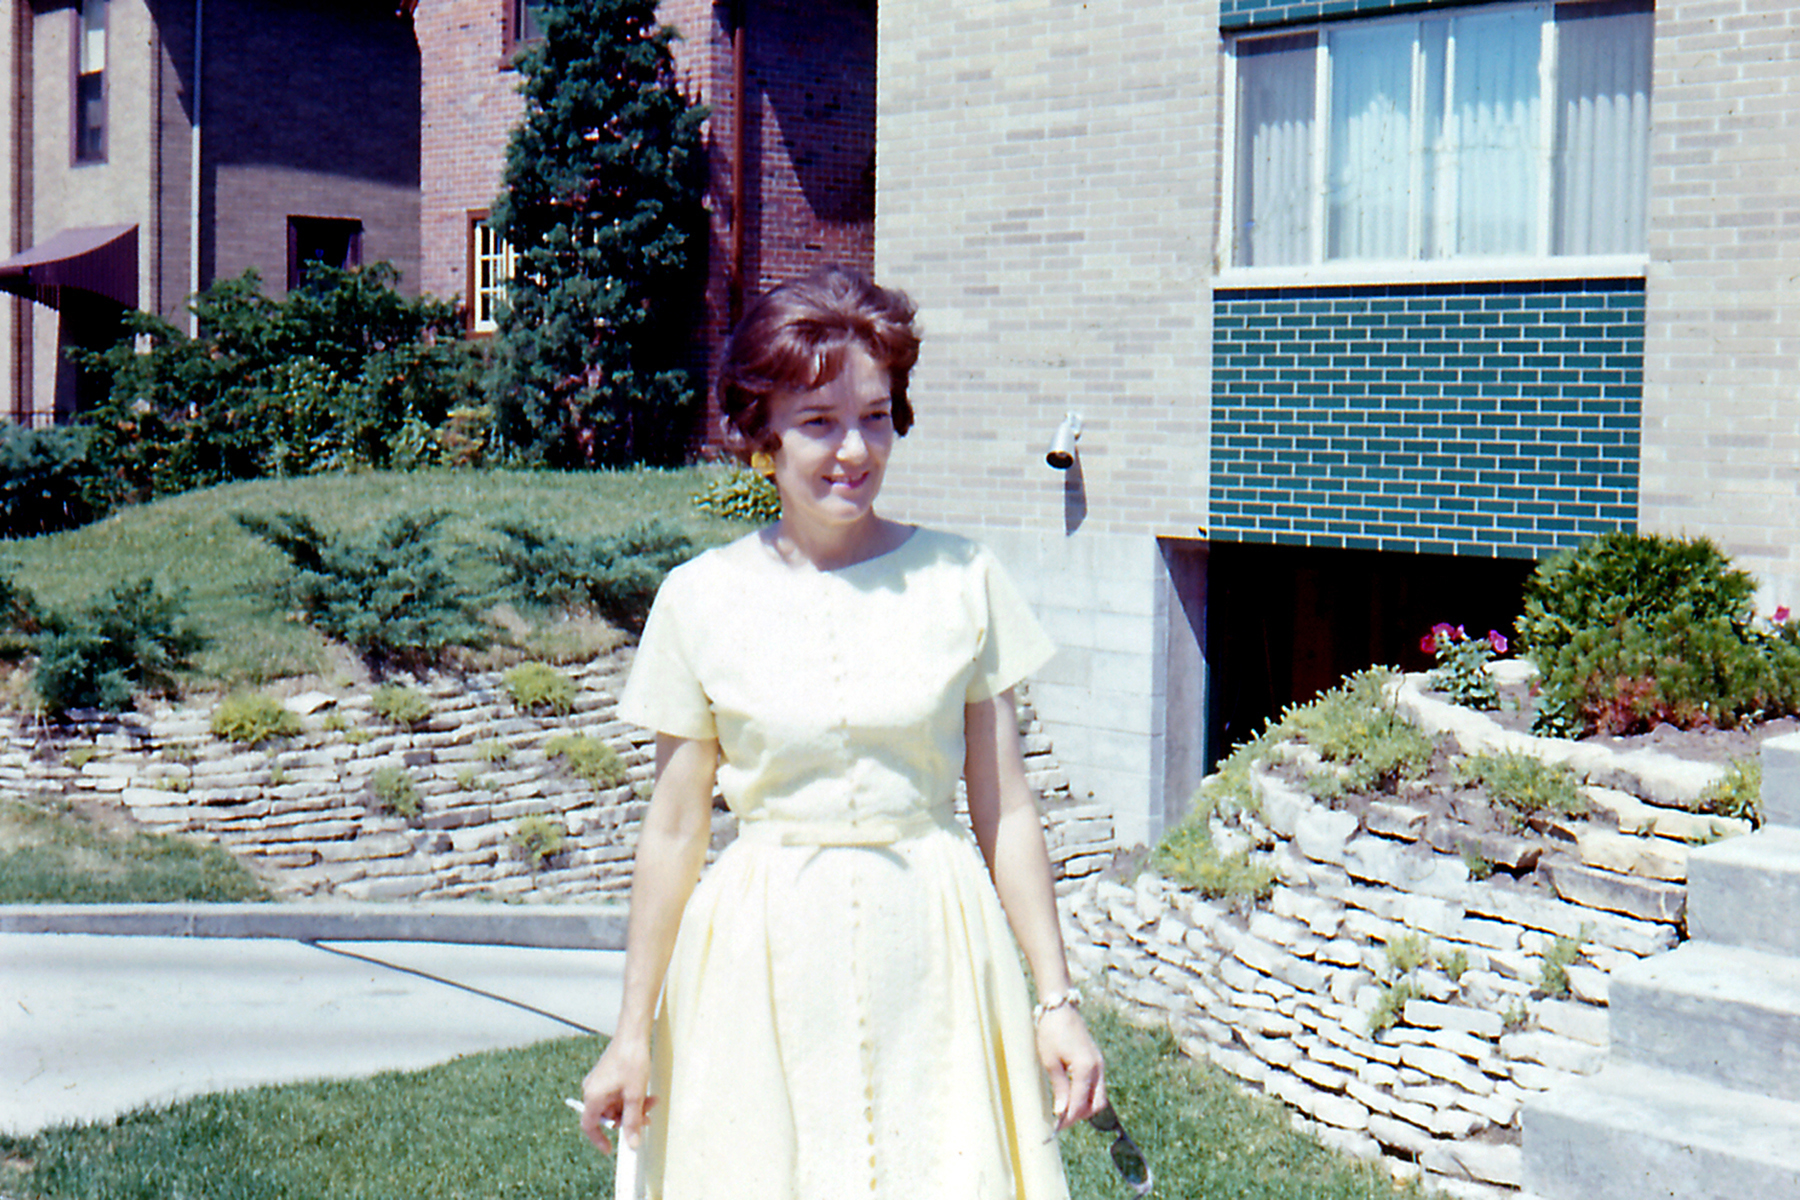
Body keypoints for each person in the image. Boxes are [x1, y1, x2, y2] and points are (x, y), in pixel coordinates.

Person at [579, 266, 1106, 1199]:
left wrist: (1056, 1003)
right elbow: (673, 830)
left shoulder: (963, 579)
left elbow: (1008, 811)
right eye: (818, 422)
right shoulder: (700, 600)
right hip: (761, 955)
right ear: (763, 437)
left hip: (933, 947)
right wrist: (630, 1035)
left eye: (874, 416)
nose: (853, 450)